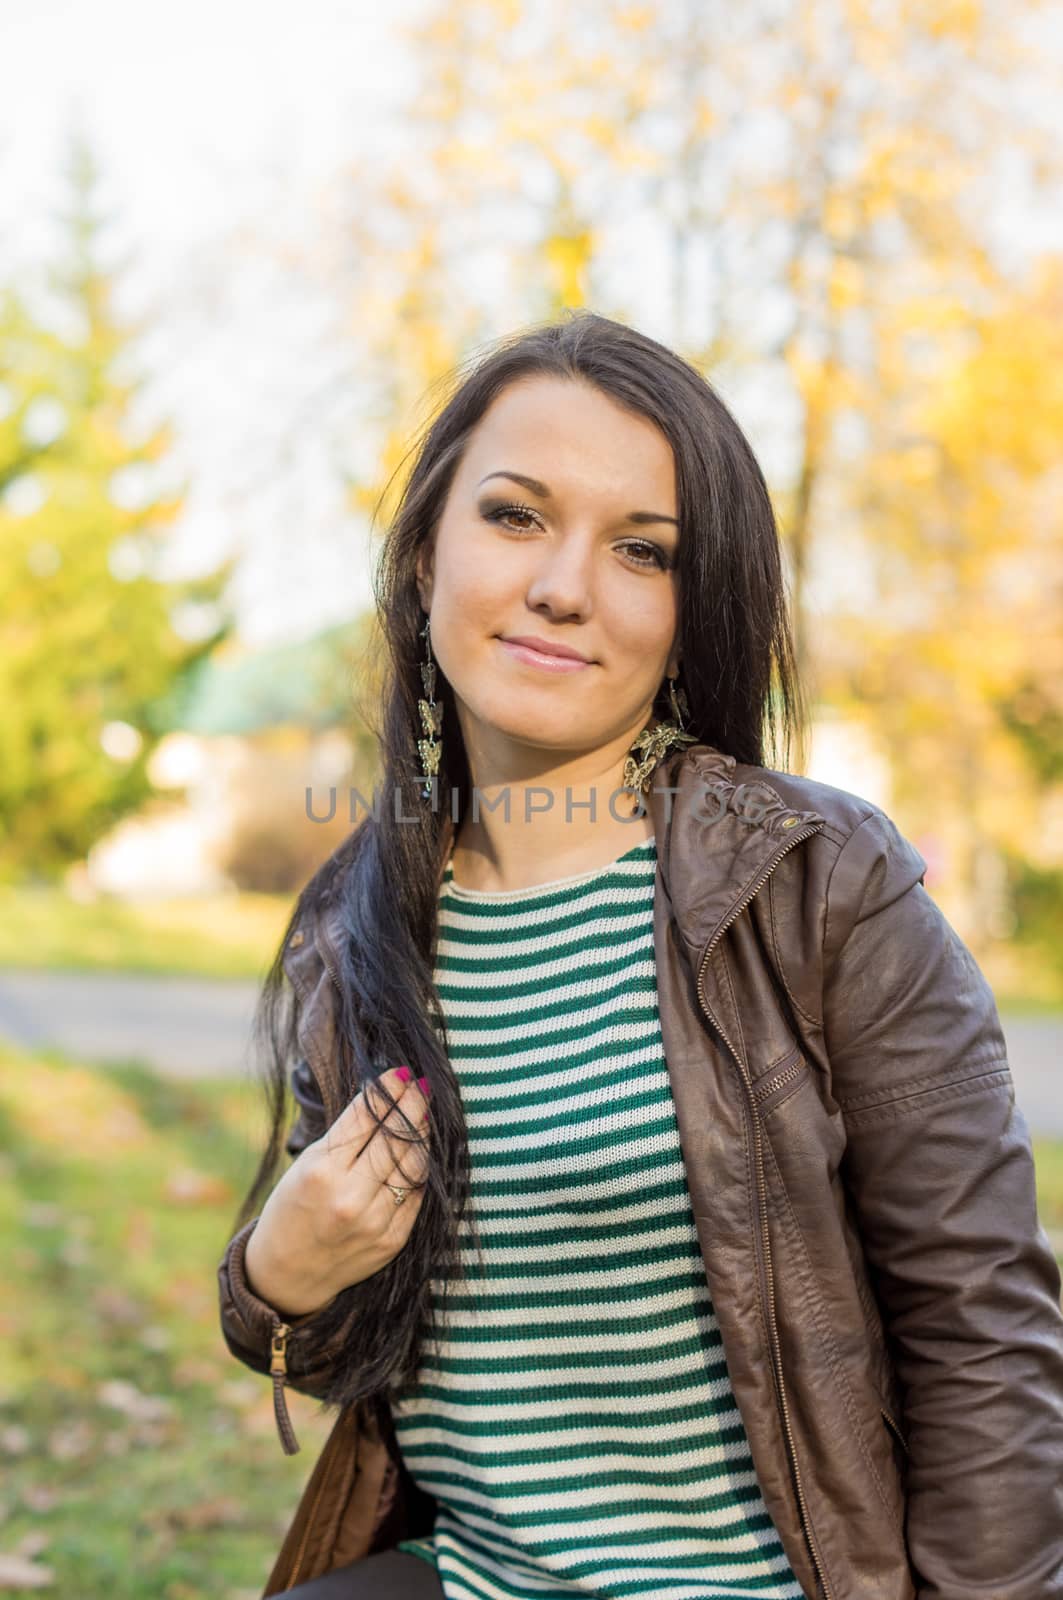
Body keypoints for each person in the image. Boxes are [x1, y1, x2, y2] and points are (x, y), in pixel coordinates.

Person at [217, 310, 1063, 1600]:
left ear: (690, 610)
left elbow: (983, 1331)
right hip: (470, 1576)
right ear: (422, 560)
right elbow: (351, 1354)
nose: (563, 584)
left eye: (640, 550)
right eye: (513, 516)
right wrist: (277, 1274)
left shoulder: (816, 883)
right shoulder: (362, 922)